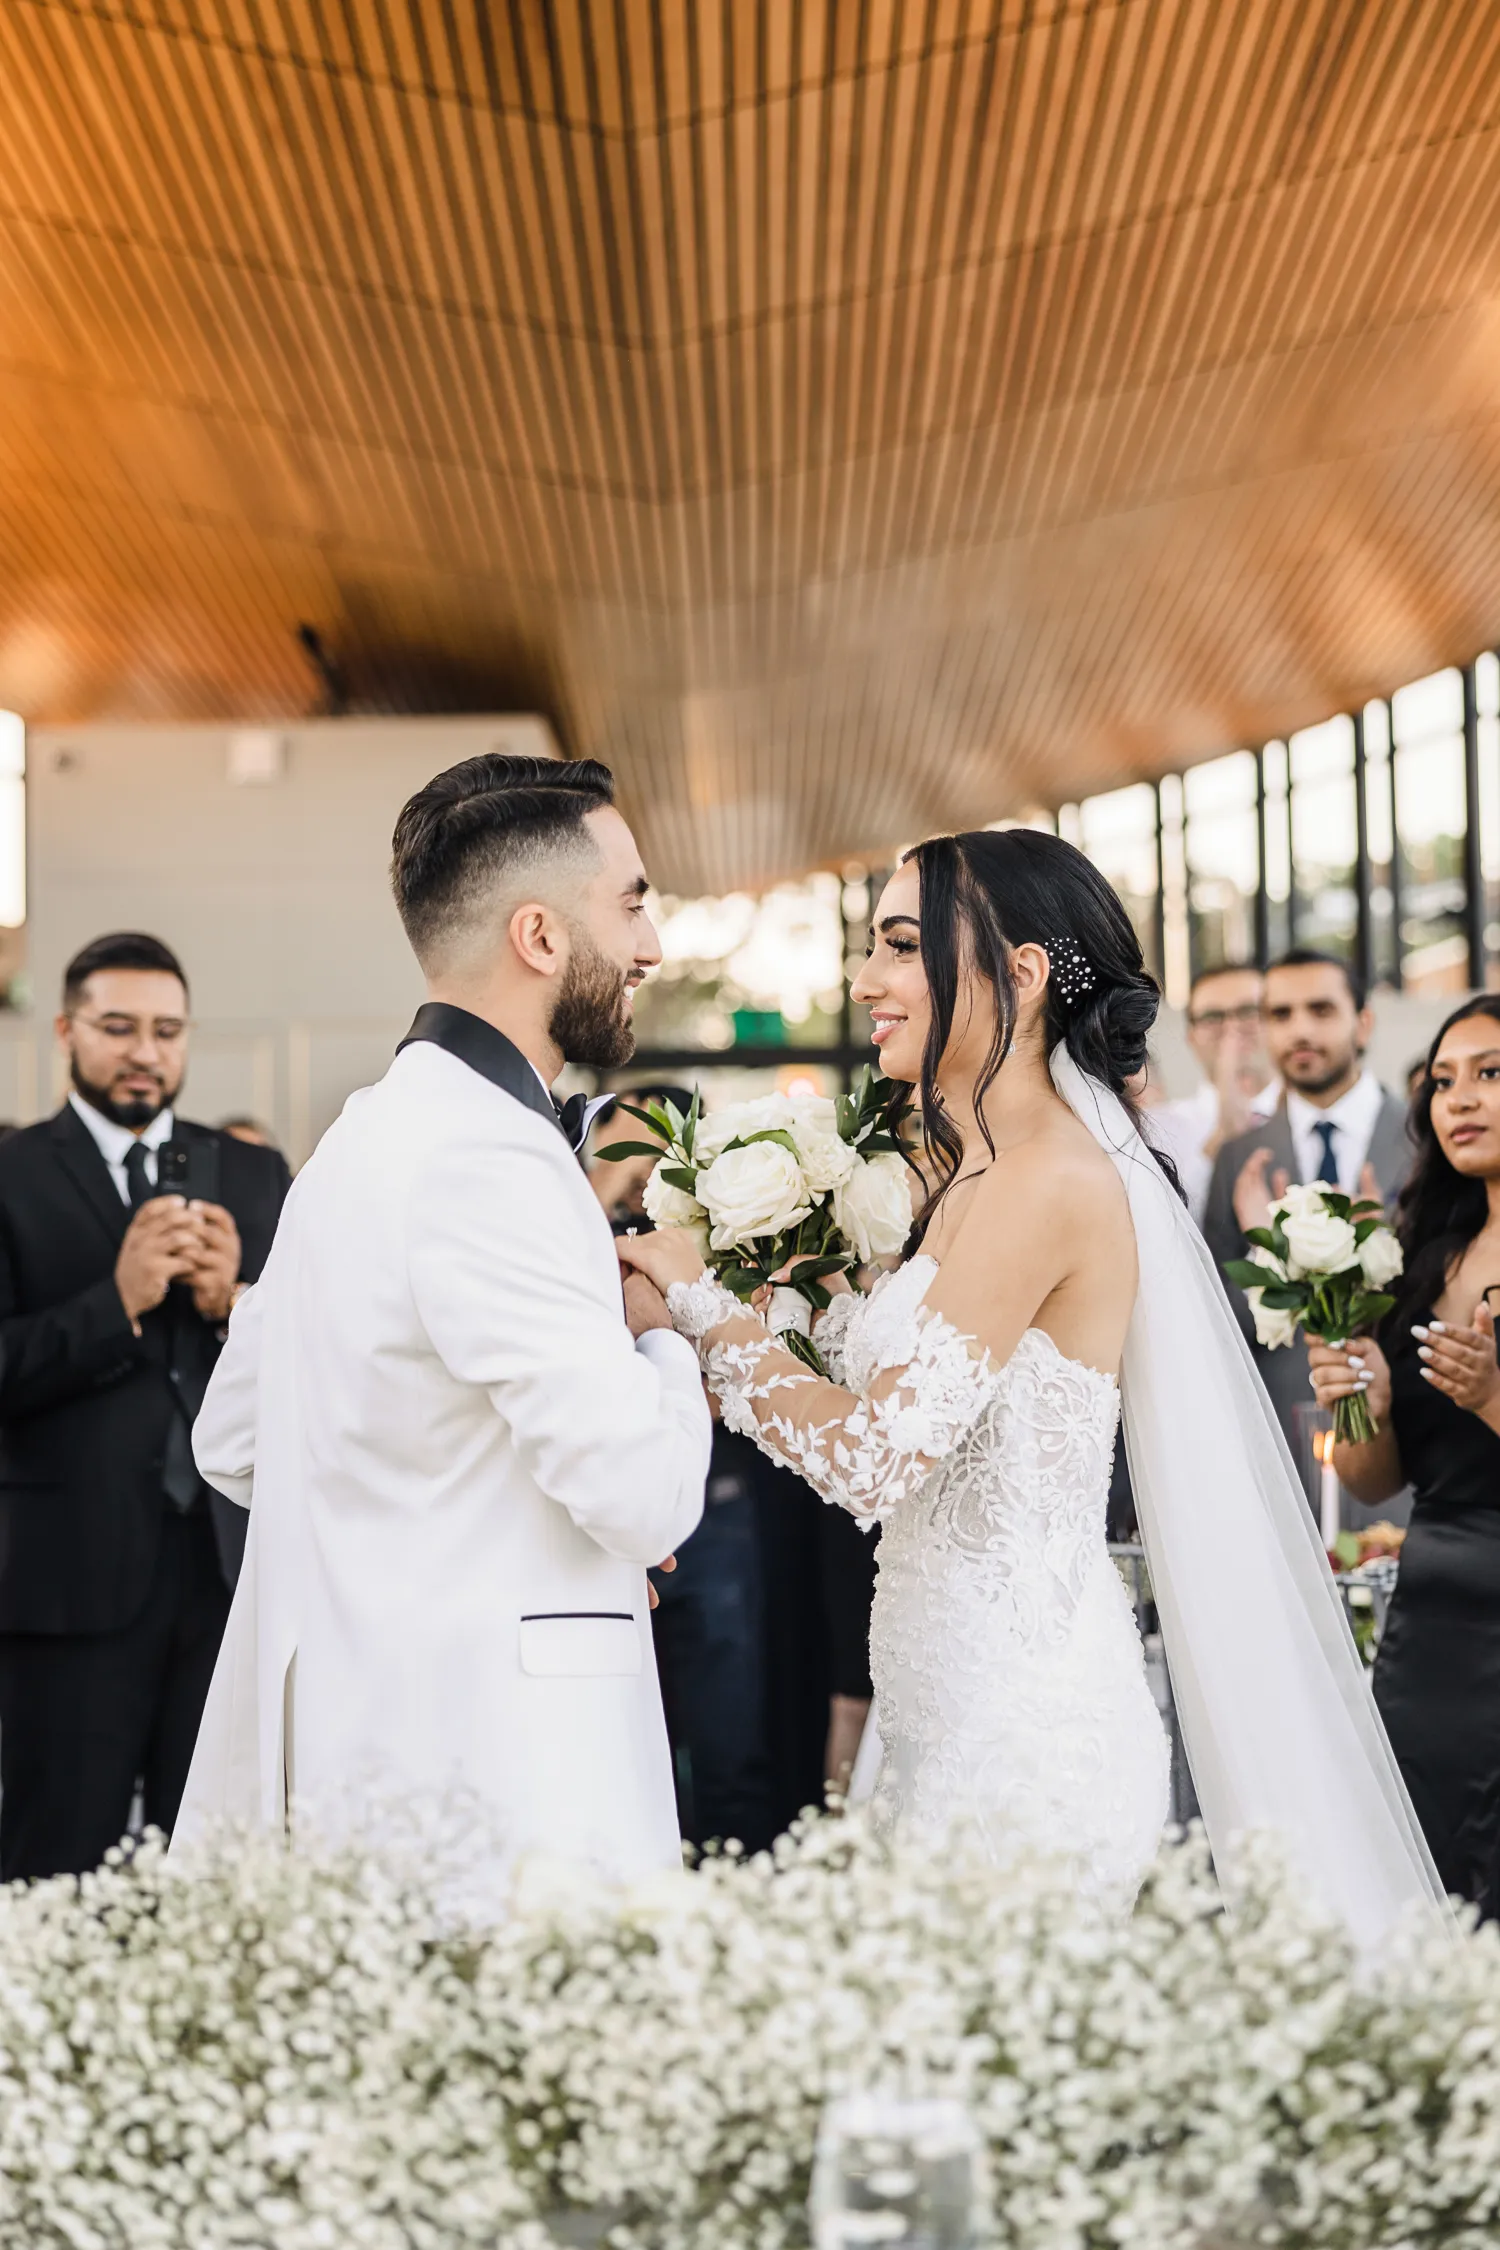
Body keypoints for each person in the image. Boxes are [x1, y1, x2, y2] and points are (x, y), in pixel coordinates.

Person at [617, 830, 1443, 1940]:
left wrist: (701, 1306)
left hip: (1020, 1737)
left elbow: (871, 1458)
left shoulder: (1047, 1180)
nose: (867, 981)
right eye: (872, 947)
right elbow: (892, 1408)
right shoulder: (967, 1178)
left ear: (1021, 975)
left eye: (903, 947)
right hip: (943, 1704)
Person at [173, 757, 710, 1896]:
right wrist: (662, 1329)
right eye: (631, 904)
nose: (653, 947)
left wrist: (475, 1540)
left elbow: (233, 1439)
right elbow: (642, 1493)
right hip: (503, 1796)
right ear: (539, 935)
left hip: (368, 1766)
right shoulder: (489, 1159)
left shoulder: (358, 1140)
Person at [0, 933, 290, 1879]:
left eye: (166, 1030)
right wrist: (111, 1304)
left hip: (229, 1572)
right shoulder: (13, 1172)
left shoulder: (252, 1174)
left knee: (220, 1863)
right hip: (68, 1580)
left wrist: (231, 1308)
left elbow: (318, 1360)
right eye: (117, 1027)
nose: (144, 1051)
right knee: (56, 1860)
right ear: (65, 1031)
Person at [1309, 994, 1500, 1914]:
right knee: (1419, 1896)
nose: (1460, 1098)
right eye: (1445, 1080)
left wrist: (1494, 1399)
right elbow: (1376, 1481)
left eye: (1492, 1073)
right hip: (1433, 1628)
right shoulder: (1423, 1256)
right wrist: (1364, 1413)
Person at [1203, 950, 1410, 1444]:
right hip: (1278, 1436)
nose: (1300, 1031)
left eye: (1321, 1010)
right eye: (1280, 1014)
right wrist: (1269, 1255)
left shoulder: (1425, 1138)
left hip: (1405, 1436)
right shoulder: (1239, 1157)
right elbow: (1210, 1310)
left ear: (1362, 1023)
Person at [1150, 963, 1275, 1222]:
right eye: (1213, 1017)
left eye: (1248, 1011)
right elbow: (1162, 1228)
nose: (1232, 1028)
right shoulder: (1157, 1128)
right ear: (1191, 1037)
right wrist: (1220, 1138)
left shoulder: (1311, 1113)